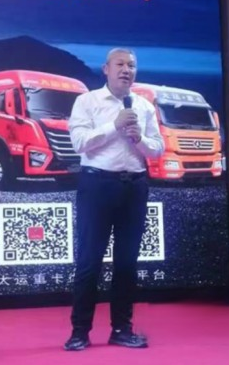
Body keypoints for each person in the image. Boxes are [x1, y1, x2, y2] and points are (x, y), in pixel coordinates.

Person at [63, 48, 164, 351]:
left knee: (127, 262)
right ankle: (79, 332)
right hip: (97, 185)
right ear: (105, 69)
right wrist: (114, 126)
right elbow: (80, 143)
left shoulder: (143, 106)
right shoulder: (87, 101)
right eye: (120, 64)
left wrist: (139, 139)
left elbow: (157, 149)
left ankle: (122, 329)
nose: (126, 70)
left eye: (131, 65)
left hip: (134, 187)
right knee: (89, 262)